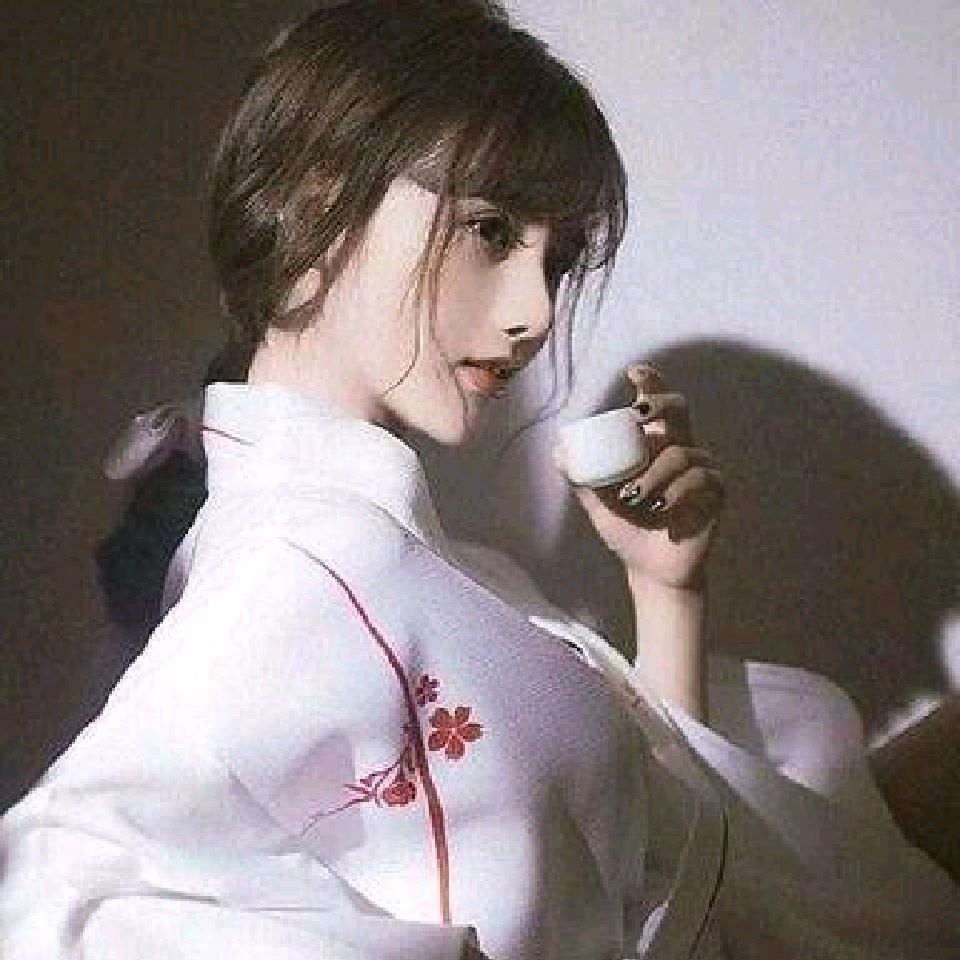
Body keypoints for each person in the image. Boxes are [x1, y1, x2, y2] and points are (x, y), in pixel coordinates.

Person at [2, 2, 958, 957]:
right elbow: (47, 890)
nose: (536, 312)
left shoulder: (419, 563)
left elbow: (662, 871)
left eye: (559, 260)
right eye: (491, 231)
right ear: (316, 200)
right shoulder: (307, 569)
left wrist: (666, 593)